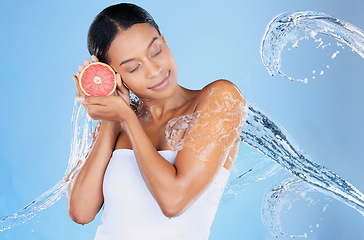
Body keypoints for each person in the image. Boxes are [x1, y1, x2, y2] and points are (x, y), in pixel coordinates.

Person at [68, 3, 246, 240]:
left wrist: (127, 118)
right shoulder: (118, 121)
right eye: (134, 67)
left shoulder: (220, 98)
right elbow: (81, 212)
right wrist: (112, 122)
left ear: (163, 37)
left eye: (156, 51)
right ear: (112, 74)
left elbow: (174, 201)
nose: (154, 70)